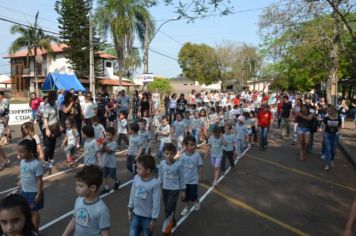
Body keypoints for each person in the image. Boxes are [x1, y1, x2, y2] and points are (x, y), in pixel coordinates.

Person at [63, 165, 110, 236]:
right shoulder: (78, 200)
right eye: (77, 185)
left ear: (92, 188)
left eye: (81, 186)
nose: (77, 188)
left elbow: (105, 233)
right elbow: (74, 221)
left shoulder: (101, 210)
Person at [128, 155, 161, 236]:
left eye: (139, 168)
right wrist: (129, 208)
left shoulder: (155, 184)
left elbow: (156, 203)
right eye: (137, 168)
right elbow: (132, 194)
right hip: (135, 215)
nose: (136, 170)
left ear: (148, 170)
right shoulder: (136, 178)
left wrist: (154, 219)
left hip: (147, 218)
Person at [17, 139, 44, 231]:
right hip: (24, 191)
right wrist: (20, 187)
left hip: (34, 193)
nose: (20, 154)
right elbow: (23, 175)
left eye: (22, 152)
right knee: (26, 211)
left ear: (30, 151)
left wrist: (39, 193)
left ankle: (35, 230)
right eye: (19, 152)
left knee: (34, 212)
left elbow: (39, 180)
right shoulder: (22, 161)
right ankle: (30, 227)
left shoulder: (36, 164)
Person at [158, 143, 185, 234]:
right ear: (163, 154)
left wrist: (183, 191)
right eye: (166, 153)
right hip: (165, 189)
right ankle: (172, 220)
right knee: (167, 207)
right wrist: (156, 186)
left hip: (174, 190)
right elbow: (160, 177)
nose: (169, 156)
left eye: (171, 153)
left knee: (169, 207)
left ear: (174, 154)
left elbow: (182, 178)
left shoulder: (178, 165)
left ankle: (166, 227)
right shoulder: (162, 164)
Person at [180, 136, 203, 216]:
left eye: (194, 145)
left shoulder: (197, 155)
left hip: (194, 180)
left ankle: (196, 201)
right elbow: (180, 168)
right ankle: (187, 207)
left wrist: (200, 176)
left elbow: (200, 166)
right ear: (186, 146)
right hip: (184, 181)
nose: (194, 146)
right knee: (185, 196)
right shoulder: (182, 156)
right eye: (191, 145)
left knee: (193, 195)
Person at [43, 91, 61, 168]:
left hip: (55, 127)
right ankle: (46, 161)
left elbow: (57, 116)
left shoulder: (55, 104)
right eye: (56, 96)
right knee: (48, 145)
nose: (57, 97)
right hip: (48, 127)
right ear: (53, 97)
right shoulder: (47, 106)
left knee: (53, 144)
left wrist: (60, 125)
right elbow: (45, 118)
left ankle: (51, 160)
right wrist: (47, 129)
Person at [99, 127, 120, 194]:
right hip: (104, 162)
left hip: (112, 163)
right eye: (106, 135)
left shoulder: (114, 143)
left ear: (113, 135)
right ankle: (106, 187)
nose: (107, 137)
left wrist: (104, 145)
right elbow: (101, 152)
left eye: (109, 135)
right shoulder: (104, 142)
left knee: (112, 175)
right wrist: (102, 146)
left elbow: (110, 152)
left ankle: (117, 181)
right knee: (105, 175)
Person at [322, 106, 341, 170]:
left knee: (333, 150)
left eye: (331, 110)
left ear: (335, 111)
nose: (330, 111)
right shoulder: (326, 118)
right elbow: (324, 127)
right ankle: (327, 164)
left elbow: (339, 126)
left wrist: (339, 132)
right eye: (329, 110)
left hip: (335, 135)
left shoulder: (338, 118)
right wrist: (322, 136)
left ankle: (332, 160)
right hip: (327, 135)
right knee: (328, 149)